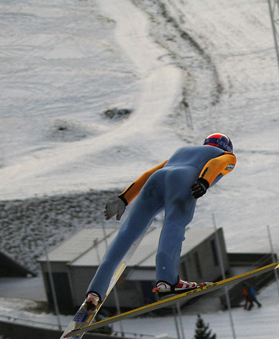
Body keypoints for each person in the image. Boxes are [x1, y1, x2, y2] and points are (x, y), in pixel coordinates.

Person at [83, 133, 236, 310]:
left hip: (157, 180)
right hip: (182, 180)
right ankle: (167, 280)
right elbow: (217, 164)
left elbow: (149, 173)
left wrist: (124, 199)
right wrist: (204, 181)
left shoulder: (182, 151)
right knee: (174, 225)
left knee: (127, 233)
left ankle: (95, 291)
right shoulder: (226, 155)